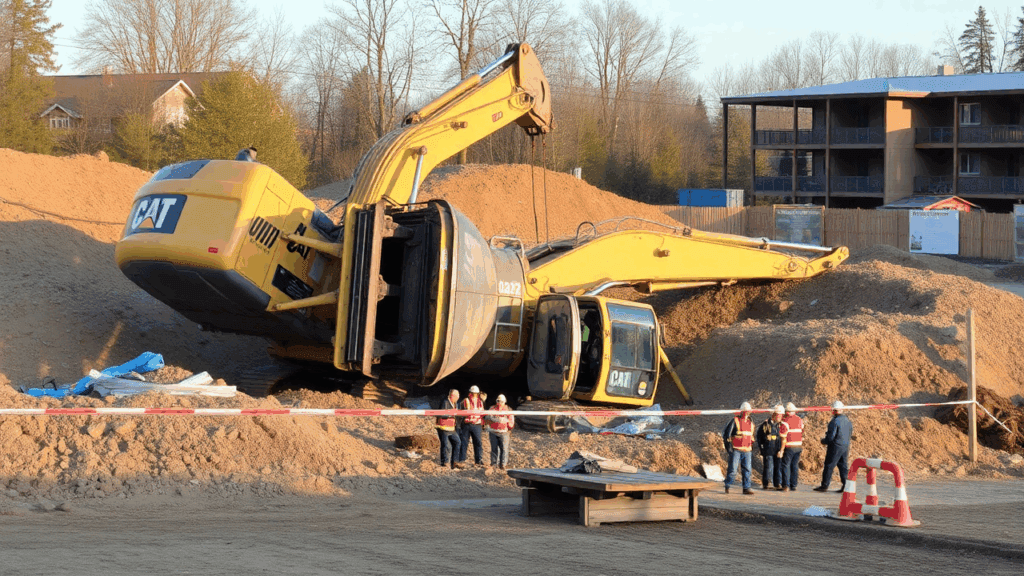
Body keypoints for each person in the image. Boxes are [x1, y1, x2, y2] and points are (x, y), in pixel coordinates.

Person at [814, 400, 853, 493]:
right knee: (843, 466)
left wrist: (824, 441)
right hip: (845, 446)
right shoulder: (847, 420)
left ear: (834, 410)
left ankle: (824, 485)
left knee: (829, 465)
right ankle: (846, 486)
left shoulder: (834, 421)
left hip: (835, 447)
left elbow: (831, 437)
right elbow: (850, 433)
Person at [721, 401, 755, 495]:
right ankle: (727, 484)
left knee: (747, 469)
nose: (747, 413)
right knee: (733, 470)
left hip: (747, 450)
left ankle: (746, 488)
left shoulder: (751, 423)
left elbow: (751, 437)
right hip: (736, 449)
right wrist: (729, 449)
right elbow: (727, 435)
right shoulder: (735, 421)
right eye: (746, 411)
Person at [756, 405, 785, 491]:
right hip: (768, 449)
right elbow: (759, 437)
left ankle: (778, 483)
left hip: (777, 449)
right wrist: (762, 449)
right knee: (769, 466)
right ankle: (767, 483)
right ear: (774, 414)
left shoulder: (780, 426)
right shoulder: (766, 425)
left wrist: (781, 450)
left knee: (778, 466)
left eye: (781, 415)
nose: (781, 417)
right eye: (779, 415)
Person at [777, 402, 803, 492]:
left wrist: (781, 450)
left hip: (790, 446)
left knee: (786, 465)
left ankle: (786, 485)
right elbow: (802, 429)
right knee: (795, 465)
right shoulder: (800, 419)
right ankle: (794, 485)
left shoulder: (785, 422)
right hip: (799, 446)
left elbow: (782, 436)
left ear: (786, 412)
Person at [435, 389, 463, 469]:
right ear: (452, 396)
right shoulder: (445, 402)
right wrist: (451, 413)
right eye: (457, 397)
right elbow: (441, 414)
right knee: (446, 446)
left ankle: (454, 461)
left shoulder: (454, 403)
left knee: (457, 442)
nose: (458, 398)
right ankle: (445, 462)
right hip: (443, 427)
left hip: (451, 428)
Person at [485, 394, 515, 469]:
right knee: (494, 449)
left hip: (504, 432)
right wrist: (498, 420)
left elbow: (511, 421)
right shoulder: (492, 409)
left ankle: (503, 464)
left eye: (501, 401)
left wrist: (508, 426)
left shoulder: (508, 409)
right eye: (498, 401)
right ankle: (493, 464)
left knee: (504, 449)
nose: (499, 403)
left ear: (504, 402)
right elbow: (487, 418)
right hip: (493, 432)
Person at [458, 385, 485, 465]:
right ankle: (462, 459)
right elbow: (461, 410)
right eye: (473, 393)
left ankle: (478, 460)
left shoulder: (480, 402)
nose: (474, 395)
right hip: (467, 424)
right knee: (464, 442)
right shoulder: (465, 401)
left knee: (478, 443)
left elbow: (482, 412)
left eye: (475, 393)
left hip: (477, 425)